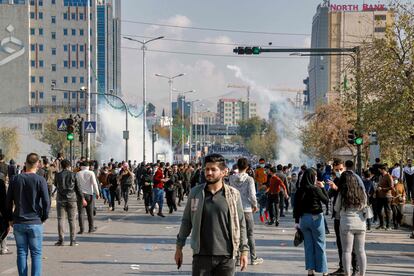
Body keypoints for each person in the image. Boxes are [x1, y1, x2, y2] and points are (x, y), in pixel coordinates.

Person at [175, 154, 249, 275]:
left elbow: (241, 224)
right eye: (207, 169)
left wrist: (244, 251)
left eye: (213, 169)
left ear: (224, 172)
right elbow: (186, 221)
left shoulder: (233, 195)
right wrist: (179, 248)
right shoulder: (196, 193)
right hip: (201, 256)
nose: (209, 173)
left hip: (227, 257)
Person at [6, 153, 50, 276]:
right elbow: (46, 201)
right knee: (36, 253)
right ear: (38, 164)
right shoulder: (40, 180)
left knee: (21, 252)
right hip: (35, 221)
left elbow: (8, 201)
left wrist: (9, 218)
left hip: (18, 221)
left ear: (25, 163)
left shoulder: (15, 179)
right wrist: (44, 217)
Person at [293, 168, 329, 276]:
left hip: (304, 219)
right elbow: (326, 200)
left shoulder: (299, 190)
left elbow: (296, 207)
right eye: (316, 176)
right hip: (316, 218)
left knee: (308, 246)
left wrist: (296, 222)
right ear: (312, 177)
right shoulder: (315, 189)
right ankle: (324, 271)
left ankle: (310, 270)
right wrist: (322, 188)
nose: (317, 178)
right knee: (320, 244)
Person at [229, 157, 263, 265]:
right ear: (247, 167)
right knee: (250, 234)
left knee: (236, 233)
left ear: (237, 166)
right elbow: (252, 195)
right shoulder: (249, 180)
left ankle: (237, 257)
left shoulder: (231, 178)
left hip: (235, 209)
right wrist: (255, 205)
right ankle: (253, 257)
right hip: (247, 209)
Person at [334, 171, 367, 276]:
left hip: (346, 224)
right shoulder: (361, 192)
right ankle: (362, 274)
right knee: (361, 251)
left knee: (347, 251)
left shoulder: (342, 193)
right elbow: (364, 205)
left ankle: (347, 274)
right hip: (361, 224)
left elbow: (336, 208)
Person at [54, 159, 86, 246]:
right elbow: (78, 188)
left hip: (61, 199)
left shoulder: (58, 175)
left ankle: (61, 240)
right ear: (69, 166)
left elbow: (55, 184)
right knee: (72, 220)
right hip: (72, 199)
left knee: (61, 219)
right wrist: (82, 198)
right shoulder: (73, 174)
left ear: (61, 166)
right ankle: (73, 240)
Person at [76, 161, 100, 234]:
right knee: (90, 212)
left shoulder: (77, 173)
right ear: (88, 166)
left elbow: (76, 185)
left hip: (80, 195)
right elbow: (94, 183)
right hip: (89, 195)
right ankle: (91, 228)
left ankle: (81, 229)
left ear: (81, 166)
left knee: (81, 213)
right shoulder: (91, 173)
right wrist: (97, 193)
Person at [376, 164, 393, 230]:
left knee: (387, 211)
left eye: (380, 169)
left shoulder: (389, 176)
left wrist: (383, 189)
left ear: (383, 170)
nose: (379, 170)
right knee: (379, 210)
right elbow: (379, 184)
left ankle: (388, 225)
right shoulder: (381, 176)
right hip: (380, 196)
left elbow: (391, 187)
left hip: (387, 196)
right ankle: (381, 224)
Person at [0, 170, 11, 255]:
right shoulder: (1, 184)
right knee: (4, 228)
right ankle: (3, 248)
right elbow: (4, 200)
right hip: (1, 212)